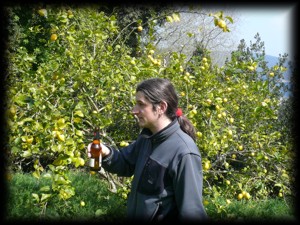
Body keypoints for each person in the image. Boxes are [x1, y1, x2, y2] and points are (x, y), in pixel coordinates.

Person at [87, 78, 208, 222]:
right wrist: (106, 153)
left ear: (161, 107)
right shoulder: (146, 138)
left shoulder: (184, 152)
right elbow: (125, 164)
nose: (134, 111)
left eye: (141, 104)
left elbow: (192, 211)